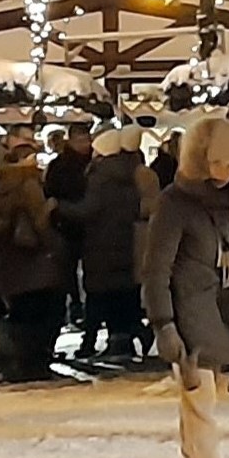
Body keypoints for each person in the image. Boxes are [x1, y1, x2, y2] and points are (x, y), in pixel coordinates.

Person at [139, 112, 229, 458]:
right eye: (217, 163)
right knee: (200, 398)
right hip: (188, 310)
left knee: (199, 400)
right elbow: (156, 269)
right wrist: (164, 324)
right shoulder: (175, 203)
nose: (224, 173)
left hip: (220, 307)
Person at [0, 130, 67, 382]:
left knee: (20, 311)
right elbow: (40, 220)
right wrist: (52, 234)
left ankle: (21, 360)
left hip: (6, 258)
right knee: (42, 310)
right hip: (35, 256)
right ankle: (36, 361)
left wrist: (1, 229)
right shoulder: (27, 182)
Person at [71, 127, 152, 367]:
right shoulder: (131, 173)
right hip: (126, 242)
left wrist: (60, 208)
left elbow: (89, 209)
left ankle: (107, 341)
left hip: (102, 243)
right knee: (122, 295)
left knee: (100, 295)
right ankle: (125, 339)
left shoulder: (101, 177)